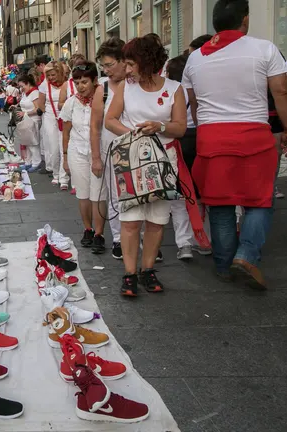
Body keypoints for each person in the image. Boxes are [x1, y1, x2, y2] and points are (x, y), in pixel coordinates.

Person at [182, 0, 287, 288]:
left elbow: (193, 104)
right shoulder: (264, 49)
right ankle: (247, 255)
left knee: (220, 204)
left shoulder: (195, 58)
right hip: (254, 134)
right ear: (245, 19)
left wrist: (206, 126)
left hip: (211, 136)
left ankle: (223, 264)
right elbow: (281, 91)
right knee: (259, 201)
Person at [104, 33, 190, 296]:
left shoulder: (174, 89)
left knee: (156, 220)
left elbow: (180, 128)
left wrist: (160, 126)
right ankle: (130, 274)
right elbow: (110, 119)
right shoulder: (125, 88)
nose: (126, 70)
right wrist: (133, 133)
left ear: (147, 61)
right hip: (132, 160)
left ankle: (148, 270)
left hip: (164, 161)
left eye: (131, 64)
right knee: (130, 220)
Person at [60, 62, 109, 253]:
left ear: (95, 81)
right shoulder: (72, 102)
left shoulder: (105, 98)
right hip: (76, 151)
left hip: (99, 151)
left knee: (99, 194)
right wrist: (64, 157)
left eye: (85, 82)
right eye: (77, 82)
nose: (81, 86)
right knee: (83, 194)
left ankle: (99, 233)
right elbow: (66, 132)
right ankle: (87, 229)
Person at [166, 52, 211, 260]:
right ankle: (203, 240)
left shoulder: (170, 92)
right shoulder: (199, 91)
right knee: (202, 196)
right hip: (199, 141)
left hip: (177, 145)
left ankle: (183, 244)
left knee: (178, 197)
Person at [90, 37, 128, 259]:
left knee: (137, 195)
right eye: (102, 65)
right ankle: (118, 239)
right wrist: (96, 157)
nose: (105, 69)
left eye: (109, 64)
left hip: (135, 150)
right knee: (114, 196)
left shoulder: (137, 84)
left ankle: (140, 237)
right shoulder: (102, 89)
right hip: (109, 149)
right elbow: (94, 127)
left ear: (124, 61)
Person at [38, 61, 69, 188]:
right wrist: (50, 115)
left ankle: (64, 178)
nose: (50, 78)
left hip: (65, 116)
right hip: (50, 116)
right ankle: (56, 174)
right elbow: (41, 104)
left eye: (53, 75)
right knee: (54, 148)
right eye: (48, 75)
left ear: (60, 73)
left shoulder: (67, 83)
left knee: (64, 148)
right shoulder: (44, 85)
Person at [14, 75, 44, 173]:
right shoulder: (25, 93)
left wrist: (25, 113)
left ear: (28, 83)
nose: (21, 89)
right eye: (20, 87)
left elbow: (38, 109)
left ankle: (36, 162)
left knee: (33, 142)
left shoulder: (35, 93)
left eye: (22, 86)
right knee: (26, 141)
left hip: (33, 120)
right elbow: (23, 104)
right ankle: (28, 162)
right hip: (25, 120)